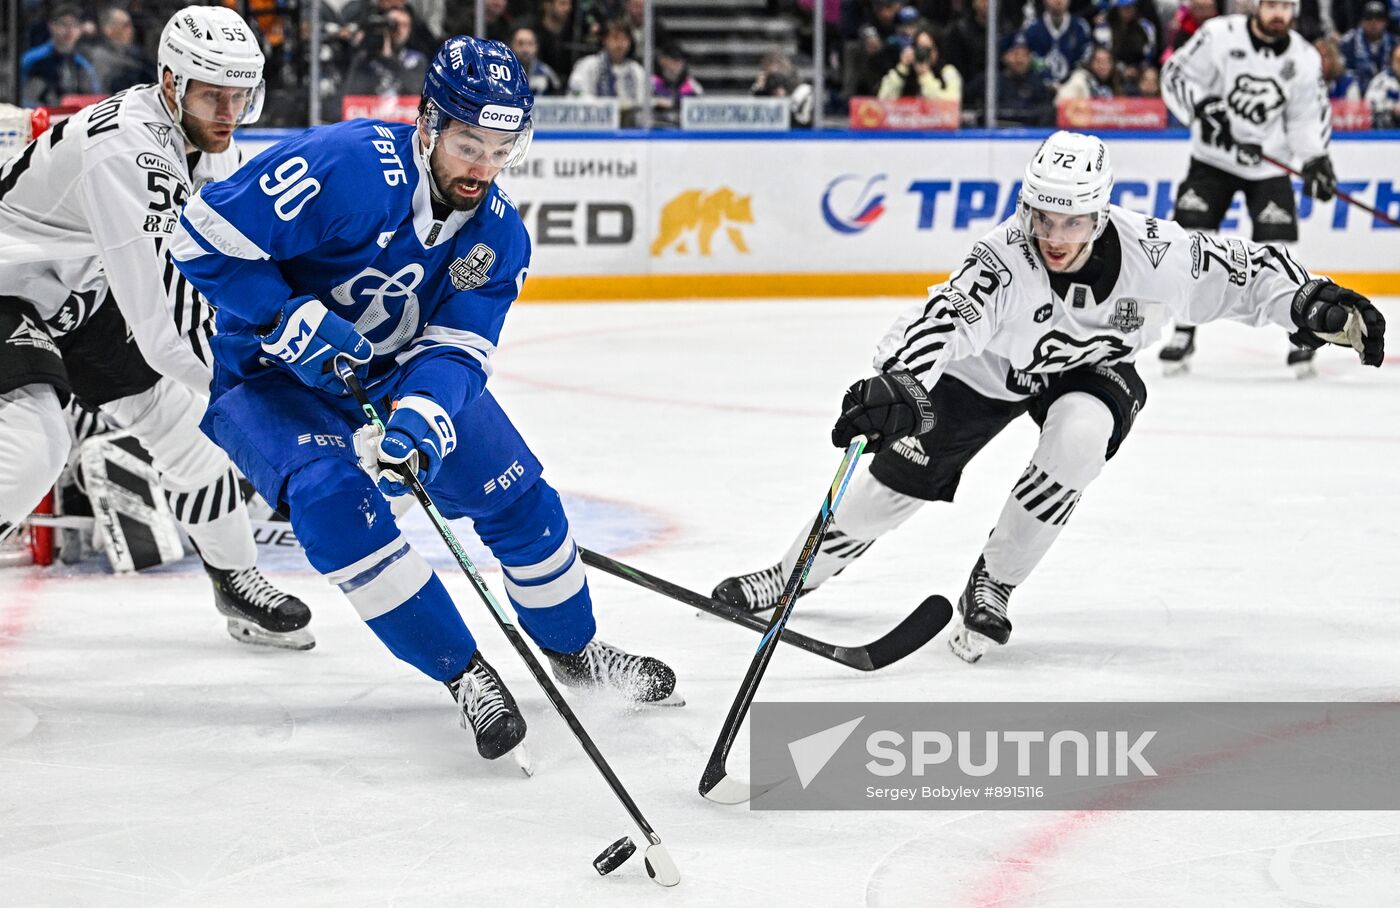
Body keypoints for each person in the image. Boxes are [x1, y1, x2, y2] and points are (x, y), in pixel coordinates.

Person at [169, 36, 680, 762]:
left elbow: (458, 349)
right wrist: (283, 315)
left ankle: (577, 651)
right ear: (430, 124)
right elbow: (201, 235)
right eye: (470, 143)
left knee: (520, 500)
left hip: (389, 374)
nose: (484, 167)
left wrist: (422, 416)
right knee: (332, 503)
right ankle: (464, 673)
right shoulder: (345, 164)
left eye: (504, 148)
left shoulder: (499, 236)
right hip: (271, 376)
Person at [711, 131, 1385, 664]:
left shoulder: (1157, 252)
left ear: (1100, 212)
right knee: (890, 491)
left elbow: (1244, 272)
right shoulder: (1003, 259)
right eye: (1043, 218)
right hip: (988, 371)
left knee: (1080, 438)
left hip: (1091, 371)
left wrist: (1312, 301)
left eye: (1073, 221)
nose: (1055, 237)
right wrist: (899, 380)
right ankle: (792, 574)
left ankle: (994, 580)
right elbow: (944, 320)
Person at [0, 6, 314, 650]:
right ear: (171, 83)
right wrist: (273, 400)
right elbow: (167, 328)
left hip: (75, 293)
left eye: (241, 97)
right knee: (34, 446)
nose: (229, 112)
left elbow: (228, 270)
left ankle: (237, 582)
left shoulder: (206, 141)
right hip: (7, 287)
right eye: (213, 95)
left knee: (187, 432)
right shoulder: (128, 149)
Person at [1159, 0, 1337, 377]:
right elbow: (1177, 75)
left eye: (1287, 6)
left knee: (1280, 251)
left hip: (1267, 166)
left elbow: (1305, 116)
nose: (1279, 14)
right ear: (1257, 5)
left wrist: (1315, 159)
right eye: (1272, 4)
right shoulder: (1219, 35)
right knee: (1192, 243)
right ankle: (1184, 329)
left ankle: (1299, 327)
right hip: (1211, 161)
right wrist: (1204, 107)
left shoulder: (1304, 58)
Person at [567, 19, 648, 127]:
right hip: (594, 129)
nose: (620, 44)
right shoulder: (588, 65)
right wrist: (608, 107)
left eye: (624, 39)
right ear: (604, 40)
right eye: (615, 38)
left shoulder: (637, 71)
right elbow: (577, 95)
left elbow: (642, 102)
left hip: (630, 129)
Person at [20, 5, 100, 106]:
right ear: (51, 26)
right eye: (64, 24)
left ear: (80, 30)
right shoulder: (32, 59)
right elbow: (20, 97)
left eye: (75, 25)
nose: (69, 30)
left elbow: (94, 98)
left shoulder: (83, 64)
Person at [82, 6, 156, 95]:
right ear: (108, 29)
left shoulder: (137, 55)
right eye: (126, 25)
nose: (131, 30)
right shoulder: (99, 57)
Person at [877, 29, 961, 101]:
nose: (924, 54)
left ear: (936, 50)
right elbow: (883, 100)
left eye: (928, 49)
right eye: (920, 48)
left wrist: (926, 76)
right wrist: (901, 69)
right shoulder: (906, 72)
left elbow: (951, 106)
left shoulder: (948, 72)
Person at [1024, 0, 1095, 85]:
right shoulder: (1032, 28)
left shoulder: (1080, 27)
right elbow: (1028, 58)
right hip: (1039, 86)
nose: (1058, 1)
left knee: (1081, 79)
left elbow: (1086, 59)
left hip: (1072, 87)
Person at [1340, 1, 1397, 93]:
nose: (1373, 22)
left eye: (1378, 18)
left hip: (1386, 94)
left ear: (1385, 22)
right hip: (1357, 94)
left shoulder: (1394, 43)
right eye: (1369, 18)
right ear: (1362, 21)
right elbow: (1342, 74)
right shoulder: (1348, 43)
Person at [511, 26, 563, 97]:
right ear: (512, 45)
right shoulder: (502, 72)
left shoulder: (546, 73)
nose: (525, 49)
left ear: (536, 47)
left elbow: (559, 98)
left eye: (530, 44)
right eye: (520, 43)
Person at [1055, 44, 1120, 101]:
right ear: (1090, 64)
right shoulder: (1079, 80)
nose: (1102, 66)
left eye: (1107, 62)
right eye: (1098, 62)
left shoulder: (1117, 82)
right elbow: (1062, 101)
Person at [1364, 42, 1400, 126]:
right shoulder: (1380, 81)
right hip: (1388, 133)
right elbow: (1369, 107)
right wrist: (1392, 109)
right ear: (1392, 62)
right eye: (1399, 60)